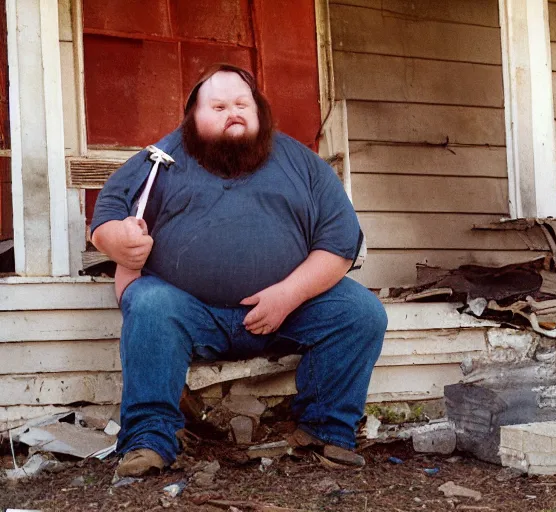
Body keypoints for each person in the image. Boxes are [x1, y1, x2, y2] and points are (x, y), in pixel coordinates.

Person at [91, 64, 387, 477]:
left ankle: (324, 429)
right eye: (218, 106)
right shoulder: (160, 159)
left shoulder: (304, 163)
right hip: (189, 309)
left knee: (360, 312)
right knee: (151, 302)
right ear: (193, 116)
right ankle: (149, 440)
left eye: (242, 103)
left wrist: (288, 295)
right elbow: (105, 220)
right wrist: (119, 240)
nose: (233, 112)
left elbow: (339, 243)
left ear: (259, 110)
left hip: (289, 308)